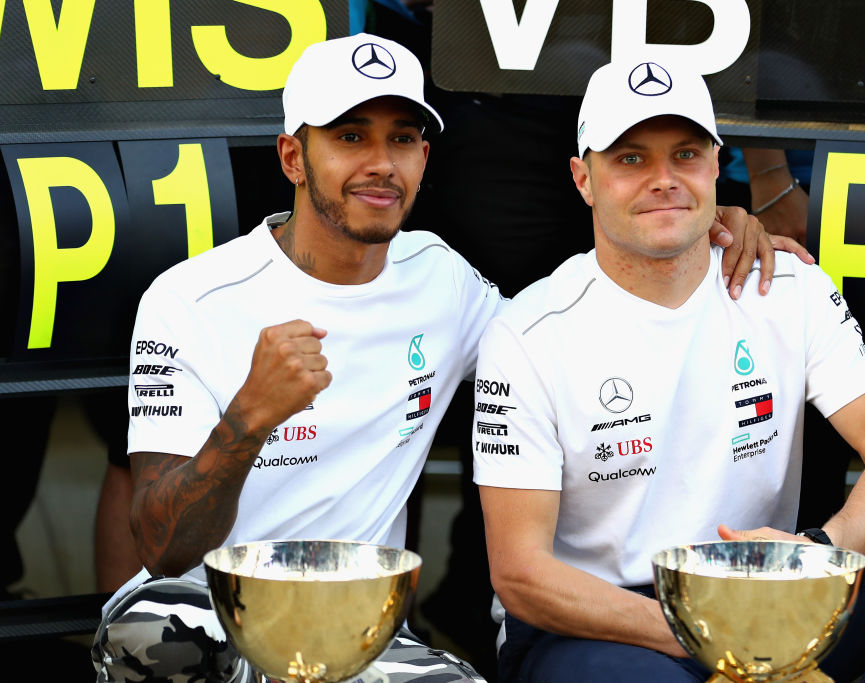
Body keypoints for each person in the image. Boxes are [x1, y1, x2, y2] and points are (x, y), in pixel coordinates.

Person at [90, 34, 786, 682]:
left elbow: (563, 340)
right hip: (206, 608)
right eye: (350, 137)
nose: (380, 163)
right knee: (152, 637)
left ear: (425, 158)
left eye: (402, 138)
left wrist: (707, 230)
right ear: (293, 158)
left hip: (354, 628)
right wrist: (249, 417)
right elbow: (162, 546)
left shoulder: (442, 280)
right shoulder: (190, 298)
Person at [473, 56, 865, 683]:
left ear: (716, 164)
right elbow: (521, 575)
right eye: (631, 159)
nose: (664, 179)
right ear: (583, 178)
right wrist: (707, 632)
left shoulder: (790, 286)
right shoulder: (528, 331)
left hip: (767, 591)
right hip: (604, 621)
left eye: (686, 155)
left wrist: (815, 557)